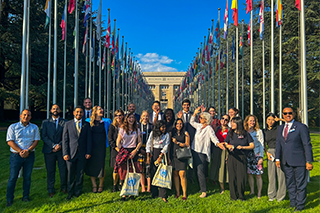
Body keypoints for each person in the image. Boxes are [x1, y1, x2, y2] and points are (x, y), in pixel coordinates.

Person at [275, 107, 313, 211]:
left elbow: (307, 144)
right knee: (290, 183)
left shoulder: (301, 127)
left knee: (300, 184)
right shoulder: (280, 128)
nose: (288, 115)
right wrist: (277, 159)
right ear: (282, 115)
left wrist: (309, 161)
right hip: (285, 161)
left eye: (290, 113)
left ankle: (300, 206)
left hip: (300, 161)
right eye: (285, 113)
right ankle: (293, 203)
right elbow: (278, 144)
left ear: (294, 114)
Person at [6, 109, 40, 207]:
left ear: (30, 117)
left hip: (29, 155)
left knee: (27, 177)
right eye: (24, 115)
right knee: (13, 177)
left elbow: (36, 140)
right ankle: (9, 199)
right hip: (16, 156)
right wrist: (21, 151)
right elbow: (10, 141)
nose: (26, 117)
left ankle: (25, 196)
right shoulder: (13, 127)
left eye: (28, 115)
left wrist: (28, 151)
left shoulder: (34, 127)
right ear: (21, 116)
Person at [190, 107, 225, 198]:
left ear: (206, 119)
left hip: (202, 152)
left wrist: (218, 144)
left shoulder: (209, 128)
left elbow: (213, 138)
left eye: (201, 118)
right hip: (195, 150)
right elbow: (191, 122)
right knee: (197, 170)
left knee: (200, 171)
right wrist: (195, 113)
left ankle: (204, 191)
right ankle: (201, 188)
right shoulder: (199, 126)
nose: (199, 119)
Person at [62, 106, 92, 200]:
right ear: (74, 113)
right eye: (77, 112)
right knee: (70, 173)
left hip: (82, 153)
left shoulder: (86, 124)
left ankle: (78, 191)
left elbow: (89, 140)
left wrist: (88, 152)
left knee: (80, 173)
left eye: (81, 112)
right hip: (71, 153)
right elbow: (65, 140)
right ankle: (70, 192)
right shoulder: (68, 124)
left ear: (83, 114)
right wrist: (65, 153)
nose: (79, 114)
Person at [225, 117, 254, 201]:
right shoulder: (230, 133)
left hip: (242, 157)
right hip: (232, 157)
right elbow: (226, 142)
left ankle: (241, 195)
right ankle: (233, 196)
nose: (232, 124)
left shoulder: (245, 134)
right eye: (231, 123)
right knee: (232, 176)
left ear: (238, 123)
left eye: (233, 123)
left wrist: (243, 147)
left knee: (241, 177)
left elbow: (252, 145)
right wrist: (228, 146)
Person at [41, 104, 67, 198]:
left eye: (57, 108)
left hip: (61, 150)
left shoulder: (65, 122)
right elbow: (43, 136)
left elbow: (66, 135)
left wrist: (59, 145)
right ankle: (51, 189)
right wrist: (53, 145)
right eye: (54, 108)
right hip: (49, 150)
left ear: (60, 110)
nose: (55, 110)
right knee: (50, 171)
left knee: (63, 170)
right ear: (51, 110)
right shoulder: (45, 122)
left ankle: (64, 187)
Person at [85, 106, 112, 193]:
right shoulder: (88, 122)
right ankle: (94, 185)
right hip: (91, 146)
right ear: (95, 111)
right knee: (91, 165)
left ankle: (101, 184)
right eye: (99, 109)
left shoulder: (106, 121)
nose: (101, 110)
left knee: (101, 165)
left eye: (102, 109)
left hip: (101, 146)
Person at [115, 112, 142, 200]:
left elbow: (140, 142)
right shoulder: (122, 129)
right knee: (124, 172)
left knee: (133, 171)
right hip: (125, 151)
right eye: (129, 118)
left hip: (133, 151)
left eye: (132, 118)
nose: (131, 119)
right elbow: (118, 141)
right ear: (127, 119)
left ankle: (131, 193)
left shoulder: (137, 130)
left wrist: (135, 151)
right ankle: (124, 193)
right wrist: (121, 151)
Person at [263, 113, 286, 202]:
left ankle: (281, 196)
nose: (270, 121)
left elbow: (289, 123)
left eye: (272, 119)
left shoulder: (279, 128)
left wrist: (280, 119)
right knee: (271, 174)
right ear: (266, 120)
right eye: (268, 119)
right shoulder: (264, 131)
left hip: (280, 151)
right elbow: (263, 143)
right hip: (270, 152)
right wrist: (267, 153)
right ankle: (271, 194)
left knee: (281, 174)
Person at [146, 120, 170, 203]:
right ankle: (154, 192)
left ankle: (163, 194)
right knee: (154, 173)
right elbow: (148, 144)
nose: (164, 128)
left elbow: (166, 145)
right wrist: (148, 156)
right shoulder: (153, 134)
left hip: (162, 154)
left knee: (163, 173)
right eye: (162, 127)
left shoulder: (166, 135)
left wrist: (161, 156)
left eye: (164, 127)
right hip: (154, 153)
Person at [244, 115, 264, 199]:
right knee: (249, 174)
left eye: (254, 121)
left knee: (258, 175)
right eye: (250, 120)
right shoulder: (244, 131)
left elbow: (262, 144)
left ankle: (259, 193)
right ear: (247, 121)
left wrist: (261, 157)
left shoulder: (259, 131)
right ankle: (252, 191)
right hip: (248, 155)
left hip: (256, 155)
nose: (252, 122)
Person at [176, 99, 196, 183]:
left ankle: (190, 177)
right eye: (184, 105)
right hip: (182, 139)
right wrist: (179, 118)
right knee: (182, 157)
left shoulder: (193, 115)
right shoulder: (178, 115)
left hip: (192, 139)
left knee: (191, 159)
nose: (186, 106)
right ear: (182, 106)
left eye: (187, 105)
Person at [170, 118, 190, 200]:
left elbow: (187, 144)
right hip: (174, 155)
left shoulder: (185, 133)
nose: (179, 125)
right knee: (175, 174)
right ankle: (178, 192)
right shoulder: (172, 133)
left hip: (182, 156)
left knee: (182, 174)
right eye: (177, 123)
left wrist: (178, 143)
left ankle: (184, 193)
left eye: (181, 123)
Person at [210, 114, 230, 194]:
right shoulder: (217, 129)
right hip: (216, 149)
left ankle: (223, 187)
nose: (224, 121)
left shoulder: (229, 130)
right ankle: (215, 180)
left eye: (226, 120)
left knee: (223, 167)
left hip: (225, 150)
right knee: (215, 165)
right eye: (222, 118)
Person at [108, 109, 124, 192]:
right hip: (115, 149)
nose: (118, 117)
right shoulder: (112, 126)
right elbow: (110, 139)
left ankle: (121, 184)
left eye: (120, 115)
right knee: (116, 168)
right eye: (117, 115)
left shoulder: (126, 126)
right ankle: (114, 185)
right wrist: (116, 148)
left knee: (122, 168)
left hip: (124, 149)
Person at [138, 110, 153, 193]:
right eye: (144, 116)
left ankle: (149, 187)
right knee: (141, 169)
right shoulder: (138, 126)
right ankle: (143, 186)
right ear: (141, 117)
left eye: (147, 116)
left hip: (148, 150)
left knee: (148, 168)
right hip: (140, 150)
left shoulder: (151, 126)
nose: (145, 117)